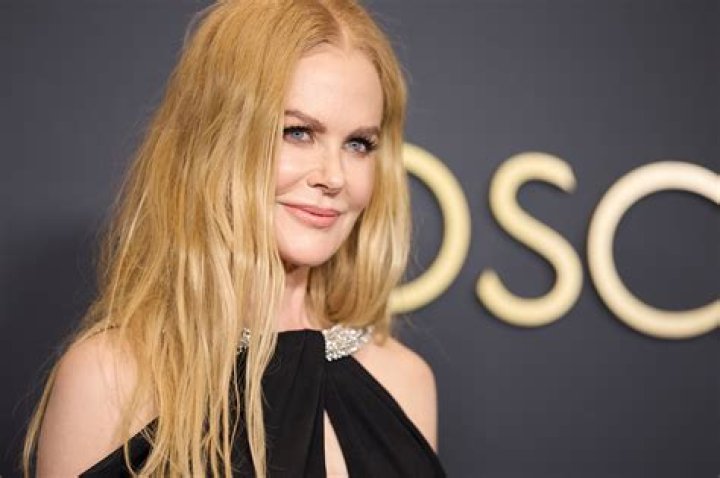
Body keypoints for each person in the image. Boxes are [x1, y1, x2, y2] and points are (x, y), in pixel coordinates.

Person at [23, 0, 446, 476]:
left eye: (358, 144)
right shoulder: (110, 379)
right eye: (297, 132)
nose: (334, 176)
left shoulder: (405, 382)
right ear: (217, 140)